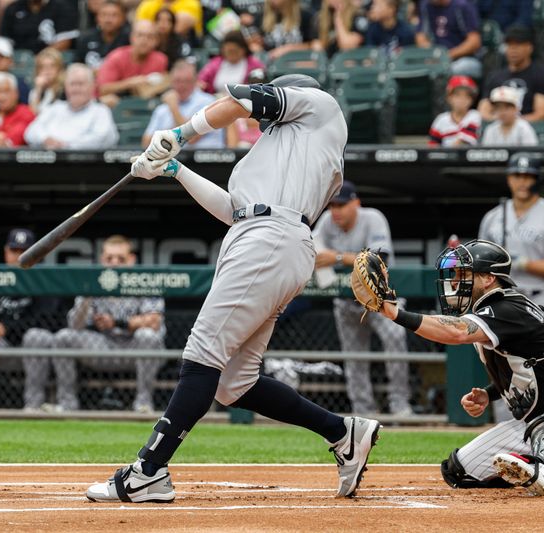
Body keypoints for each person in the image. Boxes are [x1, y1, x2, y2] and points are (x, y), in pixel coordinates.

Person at [86, 73, 380, 503]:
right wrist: (175, 168)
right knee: (234, 383)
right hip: (261, 236)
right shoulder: (285, 150)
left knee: (203, 351)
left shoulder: (319, 106)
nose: (263, 123)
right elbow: (234, 210)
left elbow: (241, 100)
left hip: (270, 240)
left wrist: (178, 133)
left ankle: (148, 470)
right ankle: (342, 432)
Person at [369, 239, 544, 495]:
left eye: (464, 274)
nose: (455, 282)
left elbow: (455, 332)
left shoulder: (507, 307)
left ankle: (541, 467)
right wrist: (489, 393)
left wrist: (395, 314)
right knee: (460, 471)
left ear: (488, 278)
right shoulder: (494, 309)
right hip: (532, 421)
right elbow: (528, 366)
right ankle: (534, 466)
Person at [313, 181, 412, 416]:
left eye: (342, 205)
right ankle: (362, 410)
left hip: (381, 300)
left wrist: (337, 258)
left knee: (395, 343)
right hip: (346, 302)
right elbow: (309, 244)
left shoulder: (372, 218)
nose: (336, 210)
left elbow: (380, 258)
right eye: (333, 205)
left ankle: (400, 406)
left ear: (356, 203)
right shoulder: (327, 222)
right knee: (353, 357)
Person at [0, 229, 69, 410]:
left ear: (37, 253)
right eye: (14, 251)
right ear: (6, 251)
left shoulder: (44, 280)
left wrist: (6, 328)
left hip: (35, 352)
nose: (18, 256)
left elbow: (45, 321)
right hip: (3, 348)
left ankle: (33, 405)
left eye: (24, 251)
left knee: (36, 336)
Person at [54, 235, 166, 413]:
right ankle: (67, 403)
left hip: (136, 349)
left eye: (120, 259)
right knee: (63, 338)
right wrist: (87, 295)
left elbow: (153, 322)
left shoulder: (144, 280)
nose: (114, 263)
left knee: (147, 336)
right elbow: (74, 325)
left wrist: (117, 323)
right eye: (109, 258)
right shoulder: (95, 280)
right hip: (103, 347)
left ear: (131, 260)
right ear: (101, 260)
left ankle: (143, 403)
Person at [479, 153, 544, 315]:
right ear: (509, 179)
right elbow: (480, 265)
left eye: (528, 176)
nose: (522, 181)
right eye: (517, 175)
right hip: (502, 299)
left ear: (537, 179)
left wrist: (523, 263)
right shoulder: (493, 217)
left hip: (541, 299)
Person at [24, 64, 119, 149]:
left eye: (81, 84)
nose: (76, 89)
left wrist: (66, 145)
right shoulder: (55, 108)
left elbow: (103, 139)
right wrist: (45, 139)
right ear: (65, 87)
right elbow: (30, 132)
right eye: (72, 84)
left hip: (87, 166)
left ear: (92, 86)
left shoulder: (100, 111)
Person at [478, 25, 544, 123]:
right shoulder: (495, 76)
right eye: (509, 45)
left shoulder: (541, 75)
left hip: (529, 130)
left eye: (518, 45)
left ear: (529, 47)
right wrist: (499, 122)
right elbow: (483, 109)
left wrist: (513, 123)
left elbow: (541, 113)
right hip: (498, 129)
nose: (513, 49)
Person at [143, 60, 223, 148]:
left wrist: (174, 108)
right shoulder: (162, 109)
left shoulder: (207, 102)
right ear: (171, 82)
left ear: (195, 81)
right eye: (177, 81)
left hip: (206, 159)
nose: (182, 85)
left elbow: (191, 138)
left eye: (186, 81)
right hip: (172, 159)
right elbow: (146, 143)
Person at [96, 19, 169, 106]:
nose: (144, 40)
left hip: (146, 104)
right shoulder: (116, 57)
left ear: (156, 41)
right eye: (140, 35)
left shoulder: (160, 59)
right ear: (132, 37)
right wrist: (130, 83)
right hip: (117, 104)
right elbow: (103, 89)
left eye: (150, 37)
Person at [414, 0, 481, 79]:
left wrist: (448, 55)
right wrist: (431, 54)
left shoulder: (462, 5)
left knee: (454, 69)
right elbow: (420, 36)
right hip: (436, 59)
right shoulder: (426, 6)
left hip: (463, 58)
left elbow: (475, 42)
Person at [197, 30, 265, 94]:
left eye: (234, 51)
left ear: (243, 50)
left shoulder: (255, 65)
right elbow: (201, 80)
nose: (231, 55)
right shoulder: (215, 63)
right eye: (229, 51)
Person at [0, 0, 79, 53]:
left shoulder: (62, 7)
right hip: (19, 62)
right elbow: (4, 41)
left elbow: (64, 42)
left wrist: (42, 58)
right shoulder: (13, 9)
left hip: (50, 62)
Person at [75, 0, 131, 69]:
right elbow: (77, 65)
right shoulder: (85, 38)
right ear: (97, 18)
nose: (108, 20)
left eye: (114, 15)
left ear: (123, 18)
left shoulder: (129, 40)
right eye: (104, 15)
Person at [428, 75, 480, 147]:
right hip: (444, 157)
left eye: (467, 96)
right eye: (457, 95)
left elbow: (462, 143)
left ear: (472, 100)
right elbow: (432, 148)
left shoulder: (476, 115)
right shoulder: (441, 120)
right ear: (449, 97)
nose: (462, 99)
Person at [135, 0, 203, 39]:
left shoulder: (190, 3)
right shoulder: (148, 4)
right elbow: (141, 29)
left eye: (169, 21)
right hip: (153, 47)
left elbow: (176, 30)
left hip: (183, 45)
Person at [27, 47, 65, 114]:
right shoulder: (35, 91)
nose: (47, 70)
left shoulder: (64, 90)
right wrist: (38, 90)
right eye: (43, 67)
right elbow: (32, 115)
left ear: (59, 69)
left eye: (52, 66)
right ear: (37, 70)